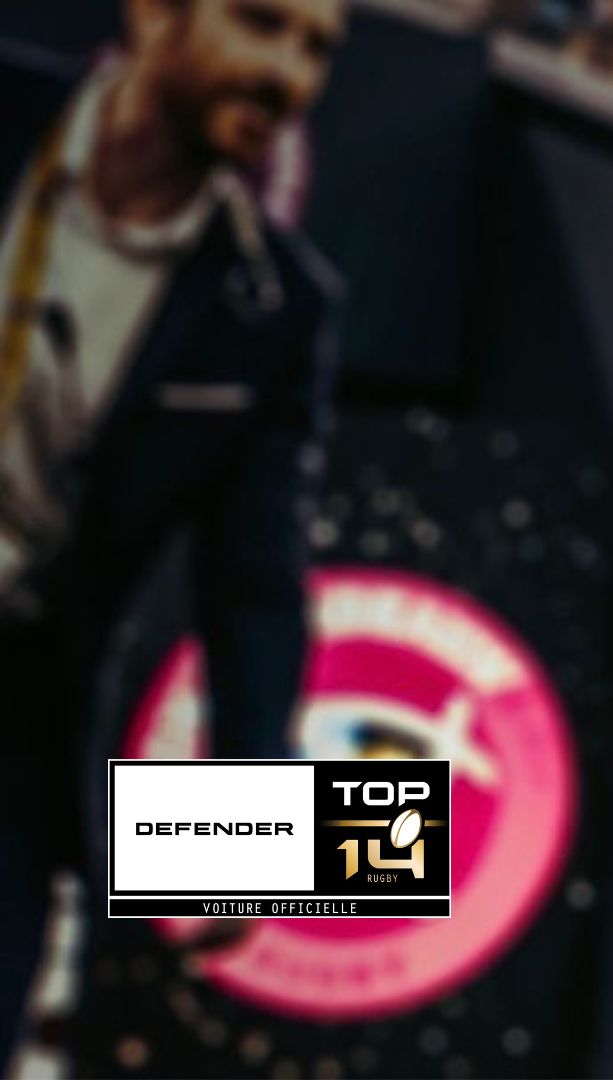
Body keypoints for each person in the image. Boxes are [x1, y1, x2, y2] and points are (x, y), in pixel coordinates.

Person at [0, 0, 346, 1058]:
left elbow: (252, 587)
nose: (286, 70)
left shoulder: (273, 304)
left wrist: (255, 840)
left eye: (317, 49)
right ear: (153, 13)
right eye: (260, 23)